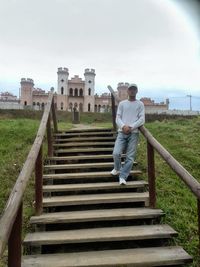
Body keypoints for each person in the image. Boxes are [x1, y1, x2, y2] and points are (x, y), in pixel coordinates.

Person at [111, 83, 145, 185]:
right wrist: (123, 126)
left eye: (134, 89)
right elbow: (118, 118)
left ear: (136, 91)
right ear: (127, 91)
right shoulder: (122, 104)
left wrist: (131, 127)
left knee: (130, 157)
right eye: (130, 89)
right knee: (116, 153)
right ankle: (117, 168)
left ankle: (123, 176)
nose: (132, 91)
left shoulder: (140, 104)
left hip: (133, 133)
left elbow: (142, 119)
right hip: (122, 132)